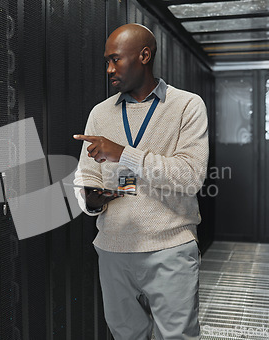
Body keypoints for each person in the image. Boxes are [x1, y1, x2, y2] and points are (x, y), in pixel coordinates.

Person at [72, 23, 208, 339]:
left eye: (116, 59)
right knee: (124, 334)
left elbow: (190, 176)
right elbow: (87, 172)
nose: (109, 69)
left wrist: (122, 153)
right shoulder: (100, 113)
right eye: (106, 60)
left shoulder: (187, 106)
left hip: (169, 247)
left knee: (176, 335)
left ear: (144, 55)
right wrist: (90, 198)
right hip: (112, 248)